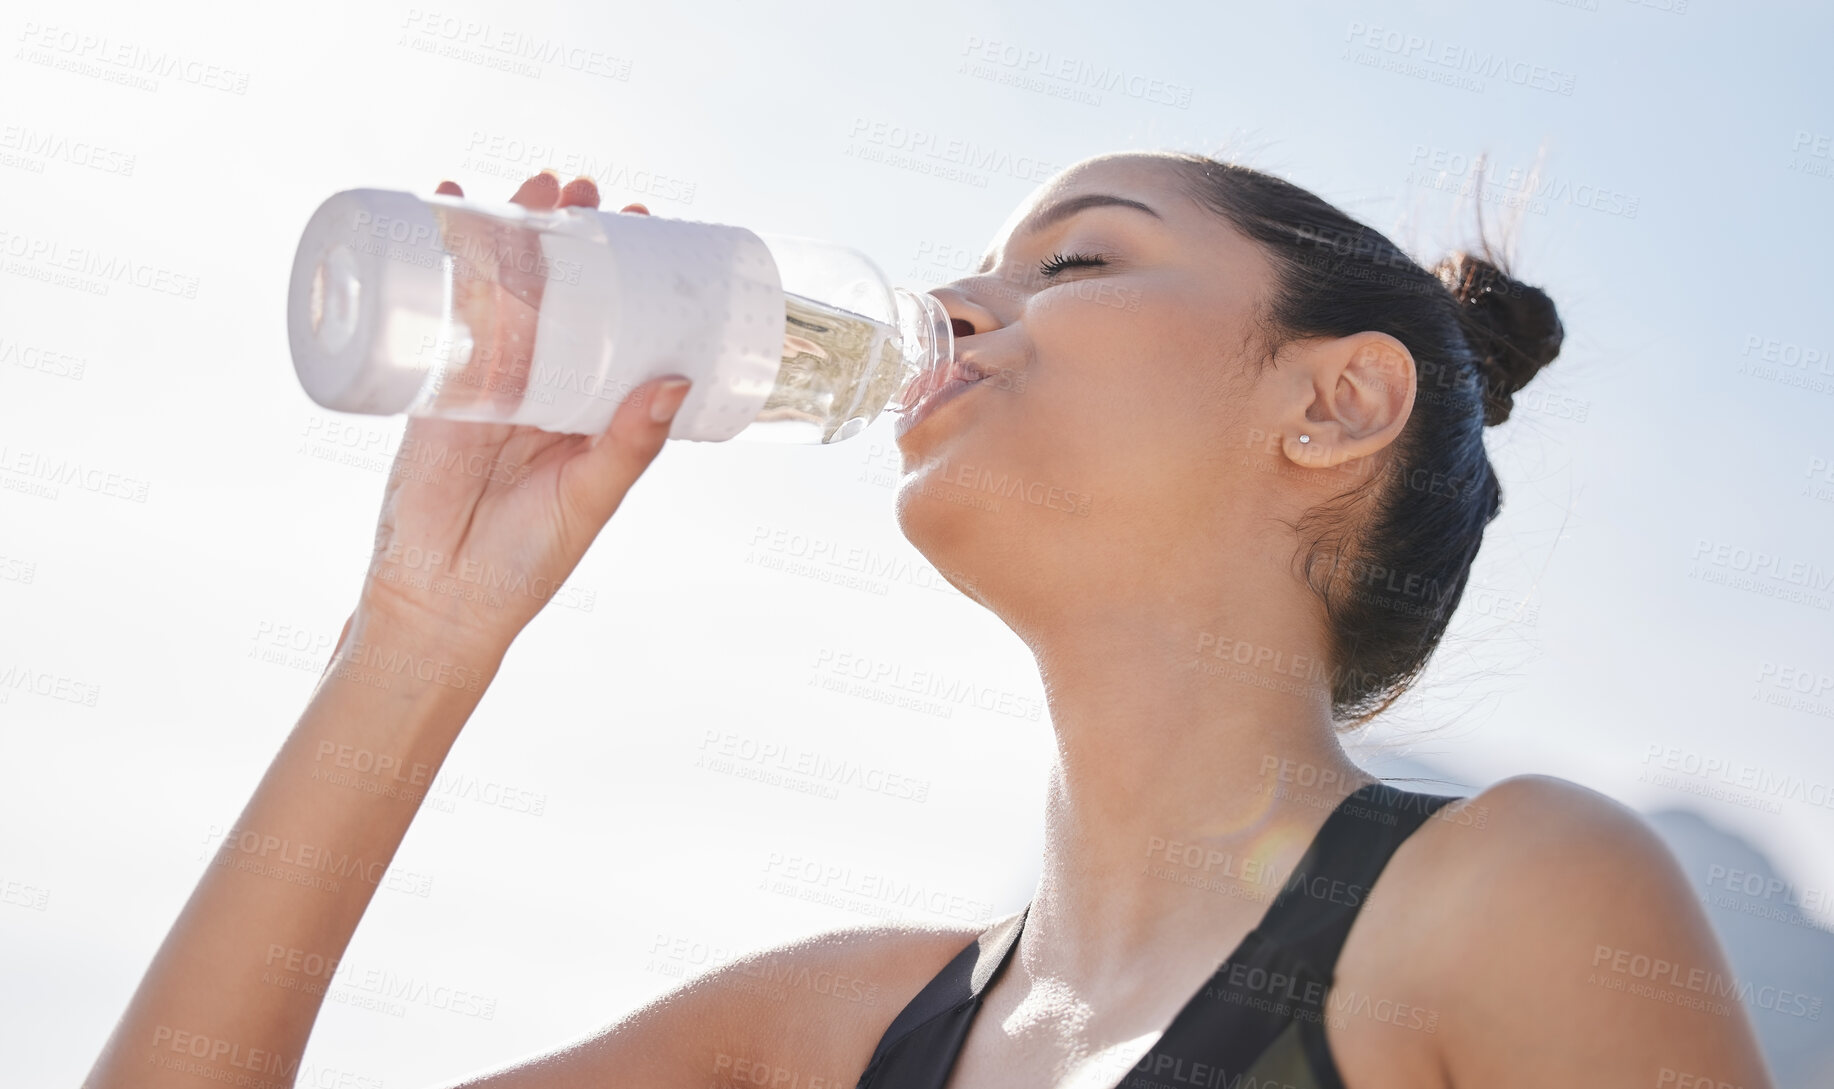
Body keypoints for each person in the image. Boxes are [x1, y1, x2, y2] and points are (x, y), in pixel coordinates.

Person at [84, 153, 1775, 1089]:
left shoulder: (1510, 900)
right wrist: (418, 626)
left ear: (1333, 403)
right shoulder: (834, 1032)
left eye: (1081, 261)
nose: (962, 303)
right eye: (979, 265)